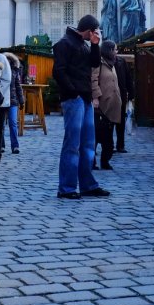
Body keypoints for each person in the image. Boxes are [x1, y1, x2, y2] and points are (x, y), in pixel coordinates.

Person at [52, 14, 111, 199]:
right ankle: (67, 188)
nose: (96, 34)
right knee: (73, 144)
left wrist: (95, 45)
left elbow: (94, 63)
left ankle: (87, 185)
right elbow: (58, 72)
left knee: (87, 145)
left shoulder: (83, 44)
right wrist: (73, 91)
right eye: (94, 32)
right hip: (74, 98)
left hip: (84, 99)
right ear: (89, 30)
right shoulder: (65, 43)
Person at [91, 40, 123, 170]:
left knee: (108, 137)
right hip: (101, 106)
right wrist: (96, 97)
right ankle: (92, 161)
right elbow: (93, 80)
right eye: (115, 49)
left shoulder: (112, 64)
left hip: (112, 106)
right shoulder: (98, 63)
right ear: (109, 50)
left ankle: (105, 160)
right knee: (97, 135)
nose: (116, 51)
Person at [4, 52, 25, 155]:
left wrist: (21, 101)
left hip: (12, 101)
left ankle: (15, 146)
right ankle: (1, 146)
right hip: (2, 101)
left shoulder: (14, 72)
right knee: (1, 125)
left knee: (13, 123)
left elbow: (18, 87)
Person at [113, 52, 134, 152]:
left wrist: (131, 93)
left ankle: (120, 145)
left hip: (121, 95)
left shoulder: (121, 61)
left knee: (120, 122)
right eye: (114, 49)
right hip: (107, 96)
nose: (115, 52)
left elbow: (128, 78)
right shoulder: (102, 61)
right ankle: (108, 145)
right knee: (108, 123)